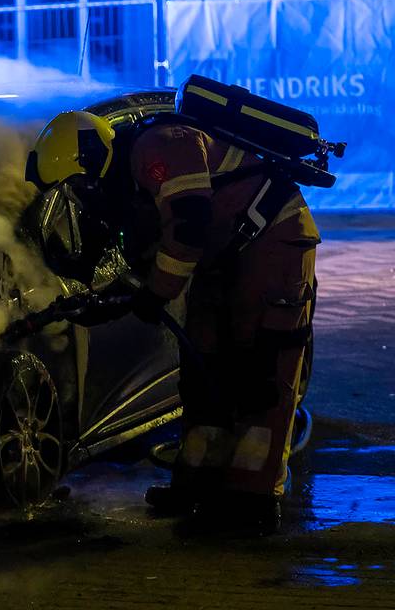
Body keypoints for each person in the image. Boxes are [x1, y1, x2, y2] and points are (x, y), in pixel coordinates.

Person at [26, 107, 319, 534]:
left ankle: (254, 500)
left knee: (262, 373)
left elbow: (187, 229)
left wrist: (154, 294)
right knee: (203, 367)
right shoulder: (126, 173)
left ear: (92, 162)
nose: (82, 194)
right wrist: (110, 297)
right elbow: (148, 242)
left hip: (274, 241)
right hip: (223, 253)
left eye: (78, 183)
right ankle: (198, 485)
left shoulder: (162, 147)